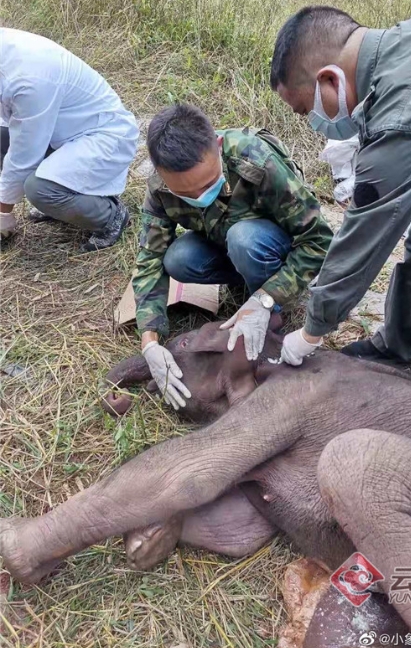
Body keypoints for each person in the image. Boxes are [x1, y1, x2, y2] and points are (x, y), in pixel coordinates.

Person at [270, 4, 411, 419]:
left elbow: (364, 239)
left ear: (329, 79)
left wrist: (311, 331)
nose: (313, 122)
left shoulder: (406, 115)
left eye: (306, 111)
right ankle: (401, 345)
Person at [132, 103, 333, 410]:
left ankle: (269, 306)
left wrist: (265, 299)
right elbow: (150, 259)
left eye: (207, 184)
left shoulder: (256, 160)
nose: (199, 196)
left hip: (271, 248)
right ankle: (245, 284)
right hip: (226, 246)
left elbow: (318, 240)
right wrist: (150, 341)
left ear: (218, 145)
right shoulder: (160, 187)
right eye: (186, 193)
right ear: (160, 173)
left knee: (244, 240)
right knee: (177, 259)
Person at [0, 28, 138, 251]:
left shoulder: (28, 77)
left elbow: (23, 156)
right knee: (2, 136)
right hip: (62, 131)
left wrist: (3, 212)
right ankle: (62, 197)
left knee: (39, 189)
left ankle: (110, 216)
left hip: (103, 137)